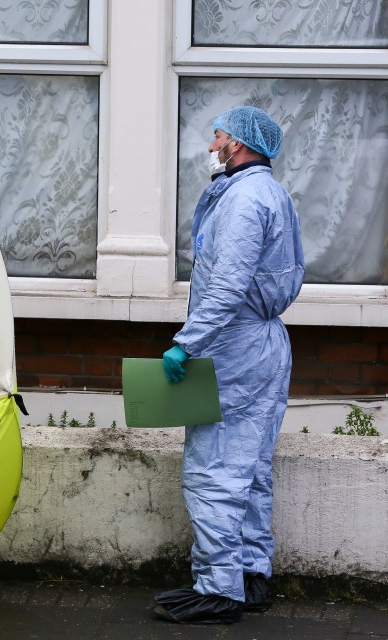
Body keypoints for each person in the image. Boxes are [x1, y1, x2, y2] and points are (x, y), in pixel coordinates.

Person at [153, 106, 306, 625]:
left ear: (237, 143)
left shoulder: (243, 199)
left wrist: (186, 343)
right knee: (251, 468)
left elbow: (228, 285)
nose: (212, 144)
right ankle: (250, 576)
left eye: (218, 135)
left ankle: (219, 588)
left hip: (235, 349)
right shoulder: (272, 193)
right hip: (261, 346)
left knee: (214, 469)